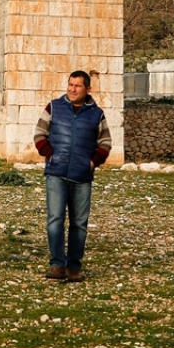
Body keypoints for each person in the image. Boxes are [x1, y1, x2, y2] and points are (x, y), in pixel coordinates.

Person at [34, 70, 112, 282]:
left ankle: (74, 266)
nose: (72, 89)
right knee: (55, 220)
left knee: (79, 224)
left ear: (88, 89)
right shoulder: (54, 107)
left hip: (82, 176)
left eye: (77, 86)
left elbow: (105, 143)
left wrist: (92, 162)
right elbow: (39, 133)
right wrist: (51, 155)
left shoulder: (97, 114)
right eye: (70, 84)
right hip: (56, 173)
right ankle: (57, 264)